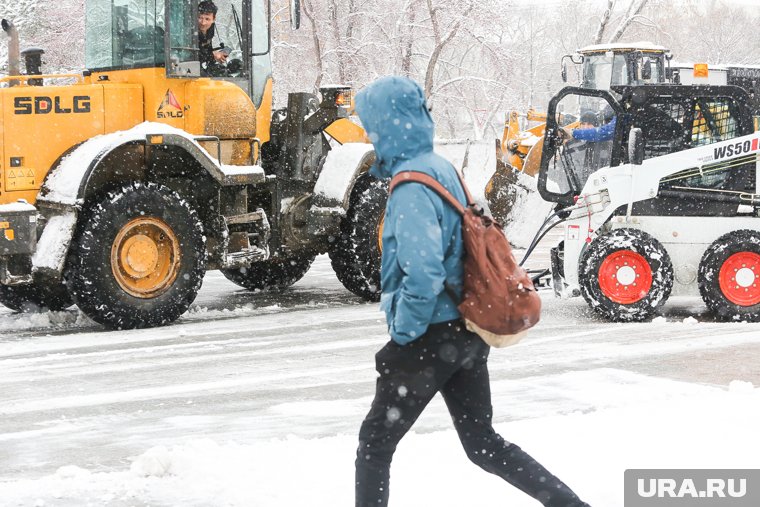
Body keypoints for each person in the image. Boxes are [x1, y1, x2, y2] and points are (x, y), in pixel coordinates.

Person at [353, 75, 590, 507]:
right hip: (467, 332)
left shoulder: (409, 187)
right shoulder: (441, 167)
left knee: (374, 445)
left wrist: (404, 335)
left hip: (430, 337)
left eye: (372, 124)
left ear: (389, 126)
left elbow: (422, 276)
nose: (369, 133)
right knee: (483, 443)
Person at [198, 1, 227, 74]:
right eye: (200, 17)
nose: (203, 23)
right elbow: (192, 56)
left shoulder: (209, 32)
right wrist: (212, 55)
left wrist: (217, 57)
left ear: (214, 19)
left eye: (207, 19)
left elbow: (206, 52)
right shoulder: (188, 34)